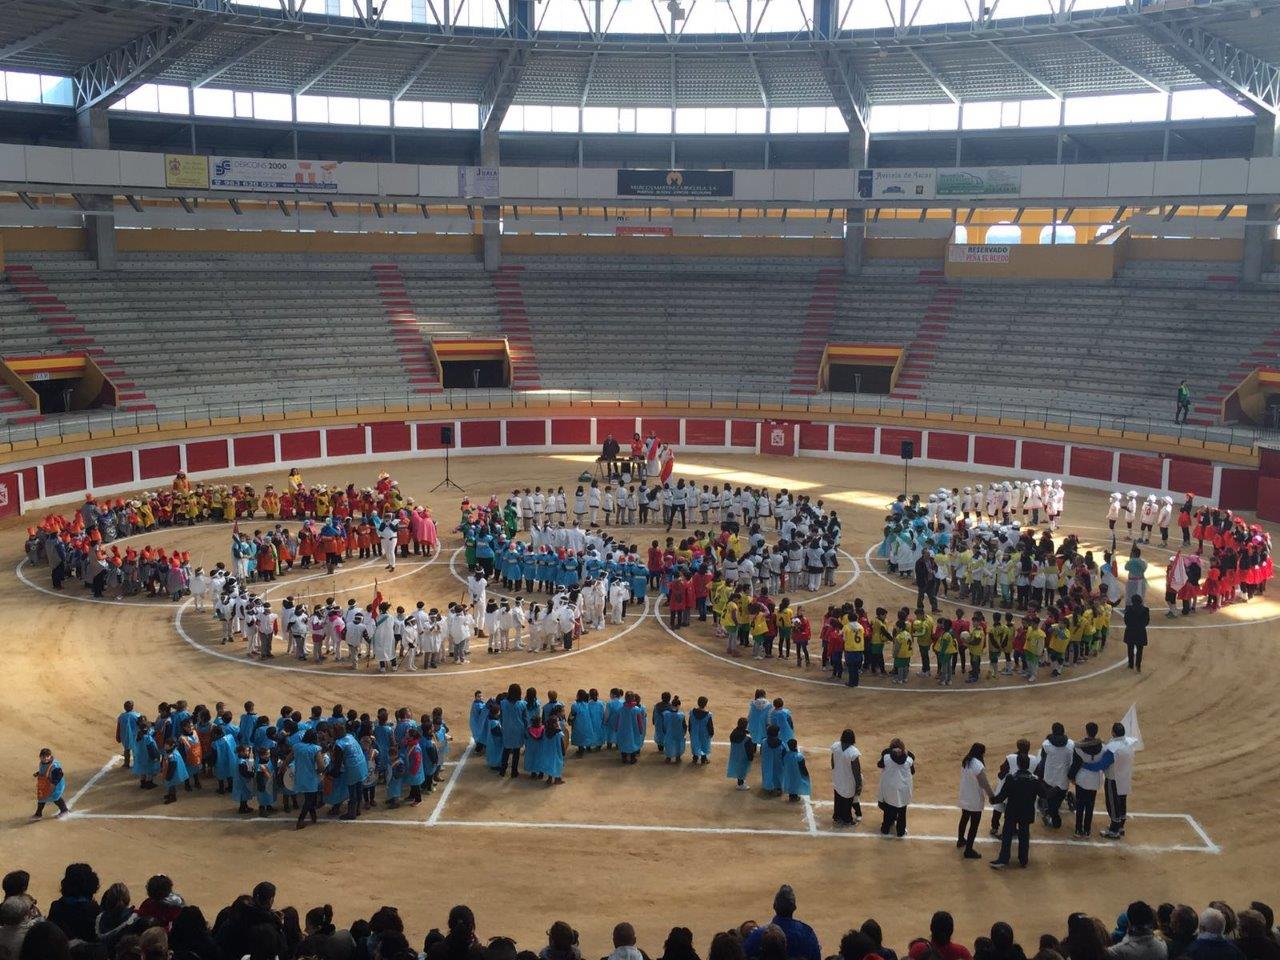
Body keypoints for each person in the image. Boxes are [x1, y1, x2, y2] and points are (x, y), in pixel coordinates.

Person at [989, 753, 1045, 869]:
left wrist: (993, 800)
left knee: (1007, 835)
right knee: (1024, 836)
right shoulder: (1034, 780)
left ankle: (1004, 859)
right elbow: (1044, 794)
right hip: (1026, 812)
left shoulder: (1011, 778)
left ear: (1018, 764)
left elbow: (1002, 796)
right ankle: (1023, 860)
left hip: (1012, 812)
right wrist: (1056, 790)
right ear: (1029, 764)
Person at [1084, 722, 1138, 840]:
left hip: (1113, 780)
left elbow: (1101, 765)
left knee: (1112, 804)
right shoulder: (1129, 743)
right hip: (1124, 778)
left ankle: (1114, 829)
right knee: (1122, 802)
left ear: (1113, 733)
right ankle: (1121, 826)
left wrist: (1085, 765)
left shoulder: (1112, 748)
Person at [742, 885, 821, 960]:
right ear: (794, 908)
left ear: (774, 906)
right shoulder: (808, 934)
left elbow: (740, 954)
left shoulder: (759, 935)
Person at [957, 743, 995, 860]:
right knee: (974, 825)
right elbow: (984, 783)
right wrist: (991, 795)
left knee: (964, 818)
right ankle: (968, 850)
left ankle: (961, 840)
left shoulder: (966, 761)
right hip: (974, 799)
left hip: (965, 796)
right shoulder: (978, 765)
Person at [876, 738, 915, 837]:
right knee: (902, 812)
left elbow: (879, 765)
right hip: (903, 790)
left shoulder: (886, 757)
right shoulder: (909, 759)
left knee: (888, 810)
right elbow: (913, 772)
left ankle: (885, 829)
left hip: (890, 789)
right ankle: (901, 832)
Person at [830, 729, 862, 826]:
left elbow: (832, 762)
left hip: (838, 777)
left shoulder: (835, 746)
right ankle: (847, 819)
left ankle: (837, 816)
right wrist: (858, 784)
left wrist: (835, 771)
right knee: (847, 801)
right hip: (848, 780)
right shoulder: (853, 752)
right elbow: (856, 771)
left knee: (838, 798)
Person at [32, 748, 68, 819]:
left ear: (50, 756)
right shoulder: (42, 763)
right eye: (43, 757)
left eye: (47, 757)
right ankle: (38, 814)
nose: (45, 758)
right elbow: (44, 771)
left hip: (56, 785)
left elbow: (59, 775)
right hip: (46, 784)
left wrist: (53, 784)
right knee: (42, 797)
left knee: (55, 797)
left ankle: (64, 810)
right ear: (40, 757)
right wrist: (38, 773)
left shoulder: (54, 766)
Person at [1123, 597, 1150, 672]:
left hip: (1130, 631)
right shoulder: (1145, 610)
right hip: (1141, 632)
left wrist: (1131, 626)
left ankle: (1130, 664)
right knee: (1140, 650)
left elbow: (1126, 620)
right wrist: (1141, 626)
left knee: (1130, 649)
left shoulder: (1129, 609)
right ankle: (1138, 665)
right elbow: (1147, 622)